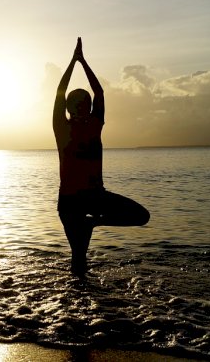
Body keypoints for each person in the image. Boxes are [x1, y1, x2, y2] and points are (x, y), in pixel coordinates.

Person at [53, 37, 150, 276]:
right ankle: (80, 302)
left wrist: (81, 61)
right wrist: (75, 61)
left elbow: (99, 91)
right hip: (71, 201)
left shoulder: (95, 123)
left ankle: (93, 223)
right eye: (79, 103)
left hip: (94, 196)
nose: (83, 106)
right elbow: (62, 91)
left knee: (141, 216)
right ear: (70, 107)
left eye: (85, 102)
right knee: (78, 258)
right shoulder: (61, 127)